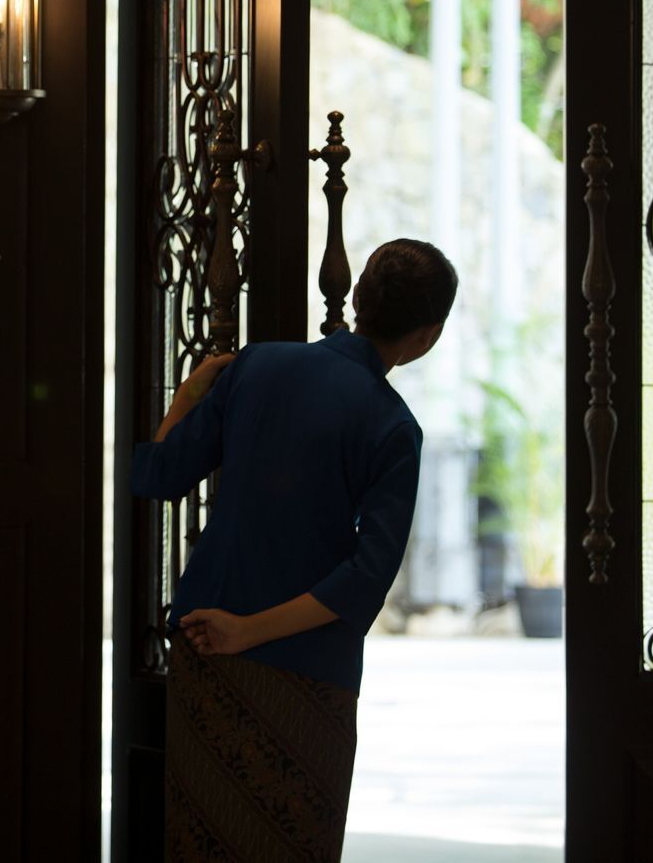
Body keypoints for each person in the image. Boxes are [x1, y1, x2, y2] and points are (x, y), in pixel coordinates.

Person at [130, 237, 457, 862]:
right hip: (308, 675)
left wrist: (187, 396)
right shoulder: (393, 427)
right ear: (427, 335)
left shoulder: (256, 367)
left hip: (206, 651)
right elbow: (365, 577)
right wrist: (250, 632)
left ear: (358, 297)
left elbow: (157, 475)